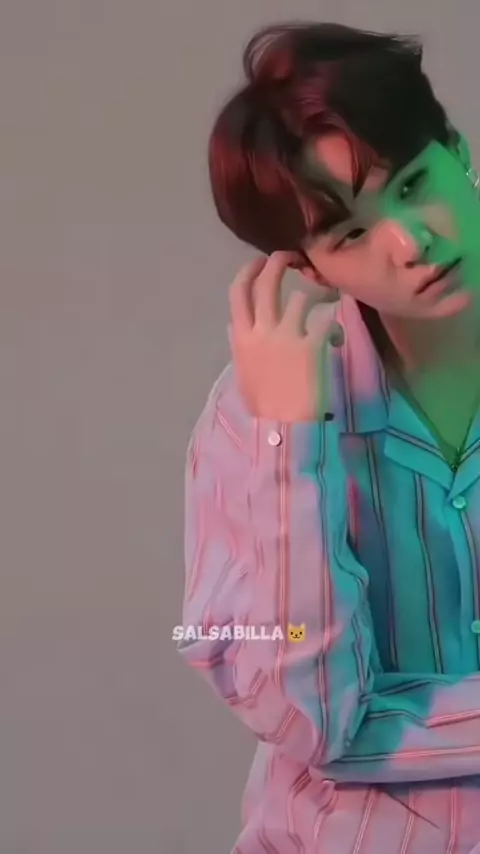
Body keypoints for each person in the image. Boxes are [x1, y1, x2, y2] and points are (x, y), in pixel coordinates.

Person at [178, 21, 480, 853]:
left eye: (414, 184)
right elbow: (306, 717)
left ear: (458, 151)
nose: (411, 243)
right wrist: (290, 445)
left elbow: (340, 734)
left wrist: (373, 727)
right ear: (309, 268)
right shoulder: (251, 418)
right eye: (351, 234)